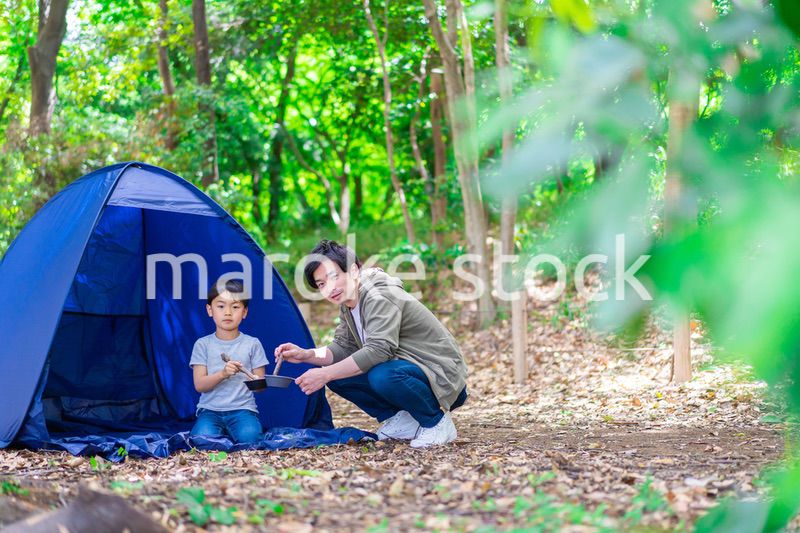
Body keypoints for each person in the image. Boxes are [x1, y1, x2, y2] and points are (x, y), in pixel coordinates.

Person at [275, 240, 468, 448]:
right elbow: (342, 347)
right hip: (409, 369)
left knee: (381, 375)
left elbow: (379, 350)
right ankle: (402, 418)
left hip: (440, 374)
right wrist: (306, 354)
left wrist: (326, 373)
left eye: (333, 277)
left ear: (354, 270)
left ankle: (435, 422)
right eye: (321, 284)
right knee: (337, 375)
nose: (329, 287)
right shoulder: (348, 304)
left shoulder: (379, 294)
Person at [189, 279, 268, 444]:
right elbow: (200, 385)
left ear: (245, 312)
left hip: (243, 410)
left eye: (235, 307)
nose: (228, 312)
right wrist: (223, 374)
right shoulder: (202, 344)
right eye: (221, 306)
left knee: (251, 440)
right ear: (209, 310)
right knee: (200, 441)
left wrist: (255, 380)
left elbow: (260, 387)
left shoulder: (252, 344)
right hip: (209, 411)